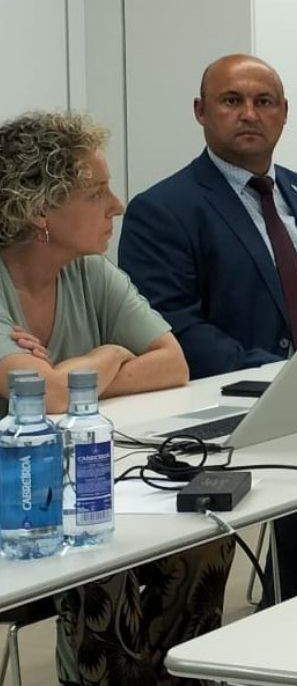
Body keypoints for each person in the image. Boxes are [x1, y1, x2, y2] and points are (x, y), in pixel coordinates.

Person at [118, 54, 297, 599]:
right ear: (201, 112)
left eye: (264, 102)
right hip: (240, 410)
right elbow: (175, 326)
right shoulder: (163, 208)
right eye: (231, 101)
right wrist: (282, 377)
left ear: (284, 113)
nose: (249, 114)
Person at [0, 110, 227, 686]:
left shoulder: (89, 272)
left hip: (86, 478)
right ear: (39, 210)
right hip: (20, 506)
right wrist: (108, 356)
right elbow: (43, 395)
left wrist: (82, 367)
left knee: (206, 540)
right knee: (106, 564)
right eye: (96, 192)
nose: (117, 205)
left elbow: (173, 364)